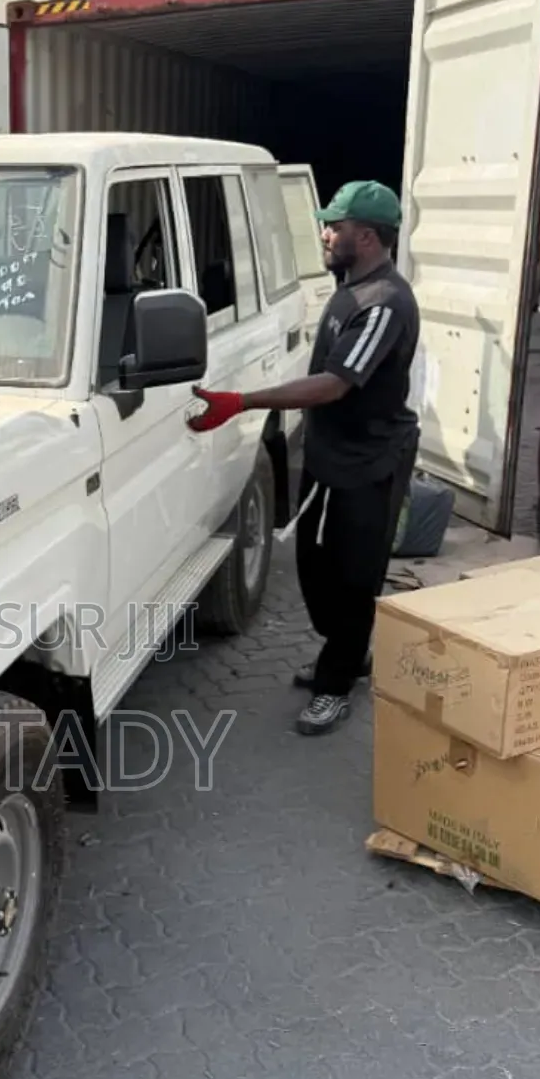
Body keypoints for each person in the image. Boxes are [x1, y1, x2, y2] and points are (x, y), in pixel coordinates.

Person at [187, 180, 420, 736]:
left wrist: (242, 401)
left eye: (334, 226)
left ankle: (337, 683)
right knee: (315, 568)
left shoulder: (383, 303)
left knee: (354, 576)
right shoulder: (349, 286)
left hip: (369, 463)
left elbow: (336, 384)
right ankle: (349, 648)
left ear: (365, 236)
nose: (325, 232)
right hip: (332, 456)